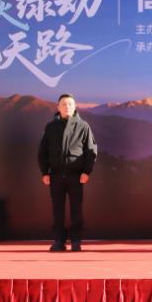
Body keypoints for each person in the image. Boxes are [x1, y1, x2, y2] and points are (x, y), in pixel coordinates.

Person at [38, 94, 98, 252]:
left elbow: (91, 150)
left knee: (76, 209)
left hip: (76, 175)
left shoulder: (83, 126)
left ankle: (76, 241)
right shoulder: (50, 127)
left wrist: (86, 171)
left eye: (70, 104)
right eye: (64, 104)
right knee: (57, 210)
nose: (67, 107)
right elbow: (42, 151)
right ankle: (59, 240)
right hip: (56, 175)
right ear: (58, 107)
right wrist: (45, 172)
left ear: (75, 107)